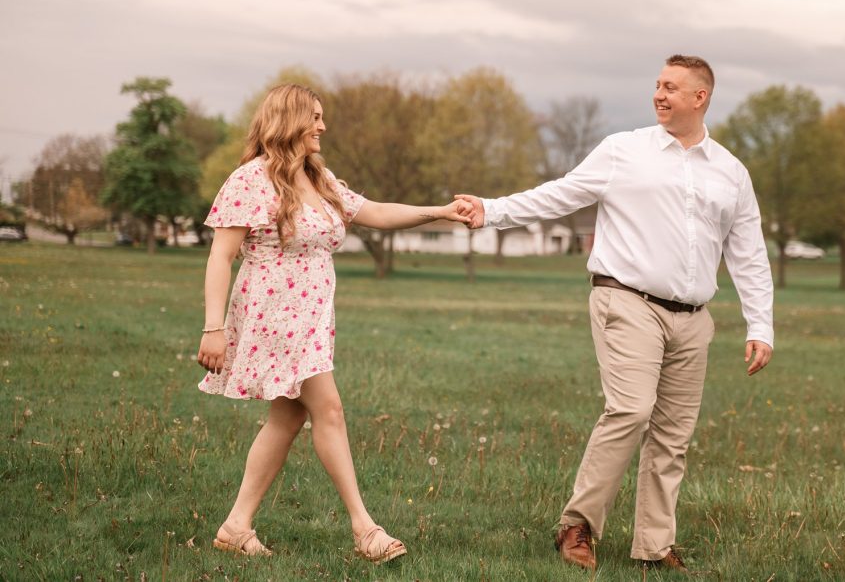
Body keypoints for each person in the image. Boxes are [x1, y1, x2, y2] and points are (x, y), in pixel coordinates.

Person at [457, 55, 774, 573]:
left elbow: (748, 253)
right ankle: (577, 525)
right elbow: (558, 195)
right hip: (627, 300)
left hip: (694, 317)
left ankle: (653, 546)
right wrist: (492, 210)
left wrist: (760, 324)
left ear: (701, 97)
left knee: (673, 436)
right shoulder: (624, 150)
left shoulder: (731, 173)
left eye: (671, 87)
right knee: (629, 410)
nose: (659, 94)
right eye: (657, 85)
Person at [196, 84, 471, 562]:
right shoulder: (249, 180)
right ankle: (365, 530)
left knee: (289, 415)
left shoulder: (318, 178)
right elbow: (220, 256)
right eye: (315, 118)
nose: (323, 126)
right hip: (273, 316)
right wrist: (212, 328)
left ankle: (236, 526)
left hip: (311, 319)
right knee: (329, 410)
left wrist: (440, 213)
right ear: (290, 120)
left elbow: (378, 213)